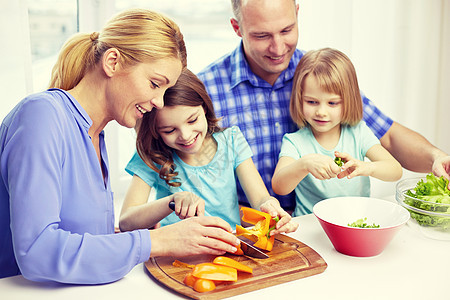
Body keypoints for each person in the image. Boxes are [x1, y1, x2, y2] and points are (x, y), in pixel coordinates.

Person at [0, 9, 241, 283]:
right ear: (112, 62)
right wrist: (156, 241)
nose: (159, 103)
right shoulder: (41, 116)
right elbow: (37, 251)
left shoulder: (95, 137)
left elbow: (83, 243)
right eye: (154, 84)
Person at [197, 0, 450, 211]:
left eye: (286, 30)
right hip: (250, 226)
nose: (277, 48)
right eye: (262, 35)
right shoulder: (205, 91)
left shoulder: (318, 75)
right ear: (237, 27)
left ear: (297, 14)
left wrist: (436, 158)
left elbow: (389, 137)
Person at [120, 69, 298, 235]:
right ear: (156, 132)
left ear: (204, 107)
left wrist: (270, 207)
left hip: (228, 245)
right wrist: (171, 201)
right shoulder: (153, 154)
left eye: (192, 120)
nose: (186, 136)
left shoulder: (232, 140)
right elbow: (126, 222)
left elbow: (260, 199)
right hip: (177, 251)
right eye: (169, 131)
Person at [271, 48, 403, 216]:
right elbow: (279, 186)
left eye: (332, 103)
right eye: (312, 102)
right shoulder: (295, 142)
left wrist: (366, 167)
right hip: (310, 227)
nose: (321, 112)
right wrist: (304, 164)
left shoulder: (358, 132)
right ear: (300, 99)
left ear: (348, 101)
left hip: (354, 223)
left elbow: (395, 170)